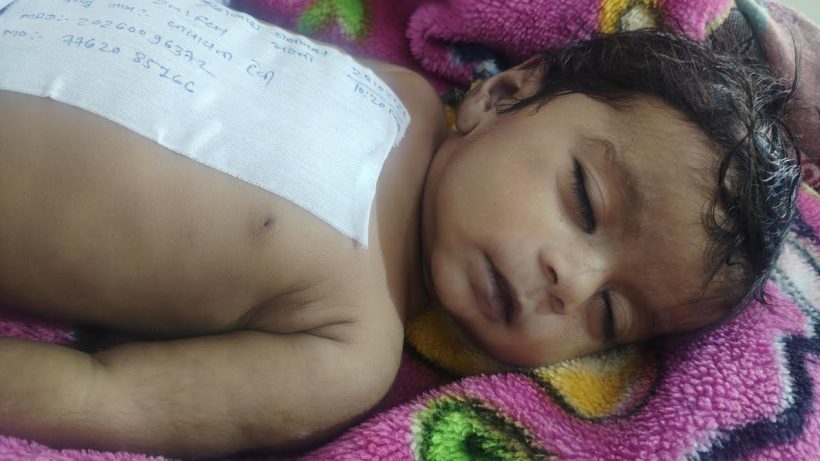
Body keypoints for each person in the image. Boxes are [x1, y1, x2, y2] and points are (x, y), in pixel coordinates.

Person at [0, 3, 802, 458]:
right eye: (585, 201)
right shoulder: (404, 95)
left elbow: (106, 397)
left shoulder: (347, 348)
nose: (573, 282)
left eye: (610, 316)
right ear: (502, 95)